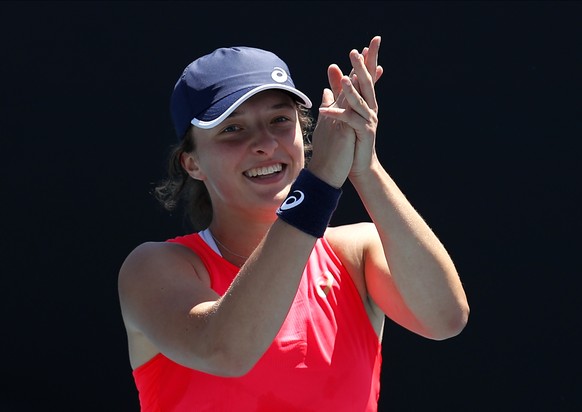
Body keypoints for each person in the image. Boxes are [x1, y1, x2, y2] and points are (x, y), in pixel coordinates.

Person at [118, 36, 469, 411]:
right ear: (192, 164)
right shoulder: (154, 268)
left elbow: (445, 319)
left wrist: (364, 168)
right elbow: (226, 351)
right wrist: (318, 185)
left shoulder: (357, 252)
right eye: (232, 129)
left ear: (303, 136)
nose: (266, 144)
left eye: (279, 120)